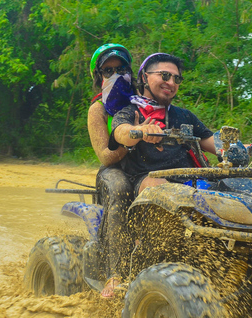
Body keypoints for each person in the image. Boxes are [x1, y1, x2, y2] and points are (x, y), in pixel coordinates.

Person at [109, 53, 218, 195]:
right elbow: (120, 132)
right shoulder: (130, 113)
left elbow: (215, 143)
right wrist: (139, 131)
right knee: (160, 187)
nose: (171, 83)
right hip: (148, 182)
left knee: (236, 185)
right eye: (165, 75)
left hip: (193, 182)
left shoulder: (185, 116)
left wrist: (243, 148)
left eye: (176, 79)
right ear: (144, 77)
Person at [87, 43, 137, 299]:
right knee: (121, 189)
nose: (116, 75)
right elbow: (106, 156)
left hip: (146, 167)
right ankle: (115, 273)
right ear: (99, 76)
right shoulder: (98, 109)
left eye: (121, 68)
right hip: (115, 171)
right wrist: (133, 140)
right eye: (108, 70)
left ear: (131, 71)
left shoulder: (144, 101)